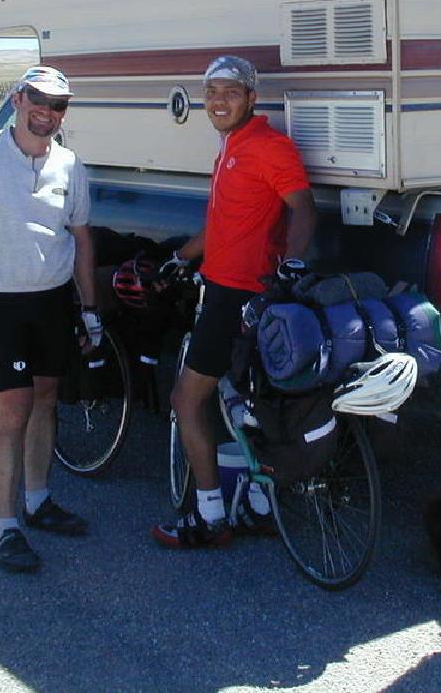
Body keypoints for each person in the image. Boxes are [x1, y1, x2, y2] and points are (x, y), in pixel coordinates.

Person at [0, 66, 102, 573]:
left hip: (51, 299)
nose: (46, 112)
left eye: (58, 105)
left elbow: (81, 239)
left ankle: (38, 500)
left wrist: (90, 308)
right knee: (12, 413)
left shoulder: (69, 164)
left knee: (47, 401)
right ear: (17, 98)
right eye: (38, 100)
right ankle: (4, 528)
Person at [151, 55, 315, 549]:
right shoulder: (231, 147)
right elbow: (226, 223)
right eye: (211, 93)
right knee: (249, 404)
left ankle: (208, 517)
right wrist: (182, 255)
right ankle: (261, 508)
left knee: (186, 399)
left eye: (230, 92)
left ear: (251, 98)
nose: (219, 102)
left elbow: (303, 210)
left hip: (239, 293)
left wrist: (293, 265)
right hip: (225, 283)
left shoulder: (270, 147)